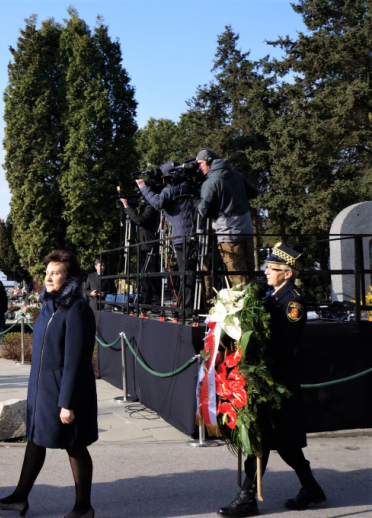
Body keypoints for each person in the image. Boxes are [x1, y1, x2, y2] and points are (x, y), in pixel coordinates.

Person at [217, 243, 326, 517]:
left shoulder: (293, 302)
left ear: (287, 273)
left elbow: (281, 343)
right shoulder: (272, 294)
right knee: (286, 445)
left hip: (277, 381)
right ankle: (311, 489)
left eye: (272, 268)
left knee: (261, 439)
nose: (266, 271)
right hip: (265, 378)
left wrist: (248, 338)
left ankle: (247, 498)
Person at [0, 250, 97, 518]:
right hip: (43, 392)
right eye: (47, 273)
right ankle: (19, 498)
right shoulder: (49, 306)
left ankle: (83, 507)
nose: (48, 277)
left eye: (55, 272)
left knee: (74, 444)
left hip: (66, 393)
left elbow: (76, 360)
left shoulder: (77, 308)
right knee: (36, 439)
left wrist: (67, 404)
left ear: (68, 276)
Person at [136, 160, 199, 313]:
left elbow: (157, 203)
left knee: (186, 273)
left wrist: (143, 188)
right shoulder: (186, 186)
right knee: (191, 272)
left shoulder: (170, 190)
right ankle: (191, 304)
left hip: (180, 237)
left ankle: (187, 308)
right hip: (193, 234)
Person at [195, 148, 258, 290]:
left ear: (209, 162)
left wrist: (197, 203)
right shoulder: (238, 175)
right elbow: (253, 191)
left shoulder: (210, 183)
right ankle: (255, 305)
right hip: (247, 229)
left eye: (201, 163)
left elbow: (203, 211)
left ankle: (243, 309)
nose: (199, 168)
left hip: (228, 234)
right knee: (250, 272)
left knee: (238, 277)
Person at [121, 196, 159, 306]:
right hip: (142, 246)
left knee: (152, 275)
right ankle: (146, 303)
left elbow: (139, 220)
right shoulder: (143, 208)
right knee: (143, 276)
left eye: (142, 198)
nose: (140, 200)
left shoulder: (151, 207)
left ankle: (157, 303)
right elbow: (135, 220)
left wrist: (128, 206)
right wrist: (127, 207)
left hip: (150, 245)